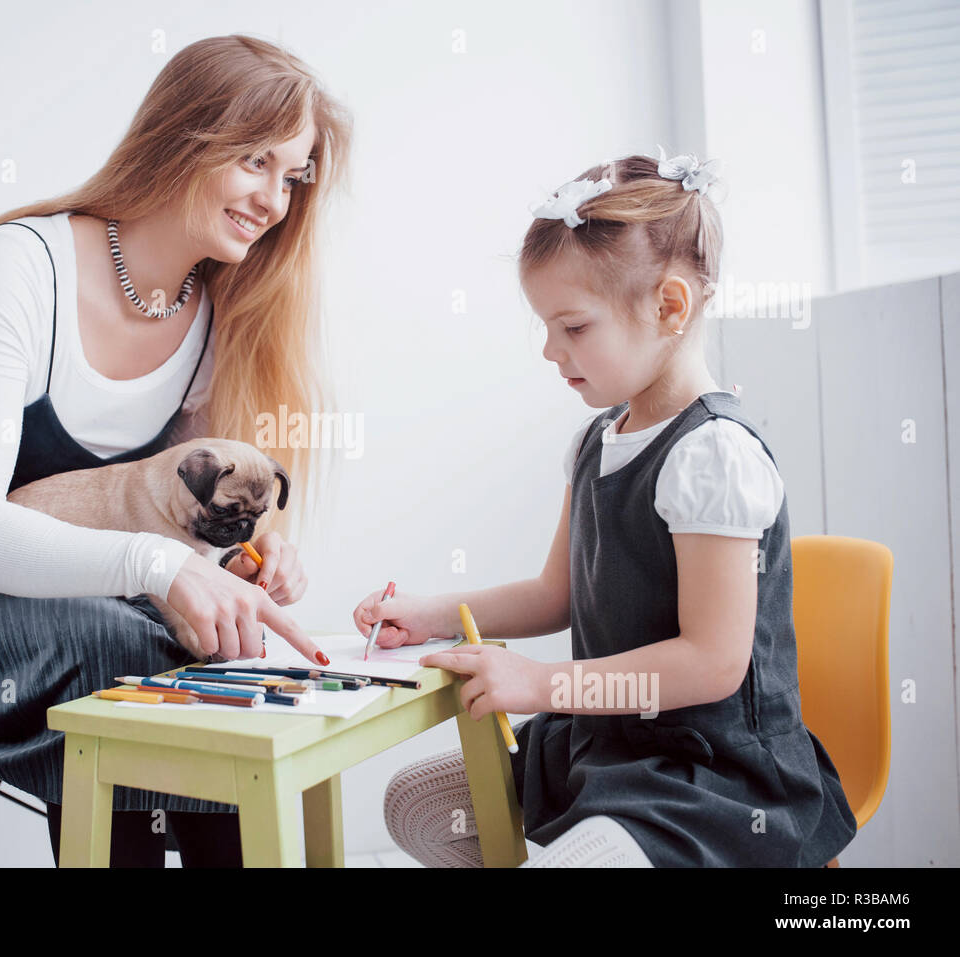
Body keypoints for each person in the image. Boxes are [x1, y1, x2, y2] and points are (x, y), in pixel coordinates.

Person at [0, 34, 353, 867]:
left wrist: (245, 556)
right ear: (184, 136)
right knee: (124, 647)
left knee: (209, 656)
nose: (275, 198)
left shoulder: (211, 315)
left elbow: (169, 519)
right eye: (257, 161)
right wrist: (162, 572)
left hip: (45, 604)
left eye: (293, 175)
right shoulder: (19, 268)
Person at [352, 150, 858, 867]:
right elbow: (553, 593)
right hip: (610, 739)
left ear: (670, 307)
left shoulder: (713, 455)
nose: (552, 351)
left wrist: (539, 683)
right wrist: (434, 614)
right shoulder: (595, 440)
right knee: (415, 804)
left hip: (708, 772)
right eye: (546, 328)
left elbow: (713, 663)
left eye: (575, 327)